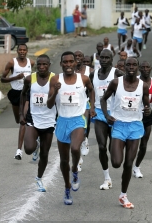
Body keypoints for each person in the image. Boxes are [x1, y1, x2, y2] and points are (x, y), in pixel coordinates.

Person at [101, 57, 151, 209]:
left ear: (138, 67)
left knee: (128, 163)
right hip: (119, 125)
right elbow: (103, 99)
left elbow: (147, 106)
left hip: (135, 126)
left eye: (134, 64)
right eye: (128, 64)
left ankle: (123, 195)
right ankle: (115, 148)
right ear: (124, 67)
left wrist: (147, 110)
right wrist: (106, 115)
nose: (131, 67)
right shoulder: (116, 83)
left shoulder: (143, 86)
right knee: (116, 163)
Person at [47, 51, 96, 205]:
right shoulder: (55, 79)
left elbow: (91, 90)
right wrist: (54, 91)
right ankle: (67, 186)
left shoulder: (84, 78)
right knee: (63, 160)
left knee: (75, 148)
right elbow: (49, 105)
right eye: (65, 62)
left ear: (75, 63)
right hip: (62, 120)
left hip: (78, 120)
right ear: (61, 64)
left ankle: (75, 170)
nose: (68, 65)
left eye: (71, 62)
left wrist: (92, 106)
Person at [19, 54, 56, 191]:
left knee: (44, 154)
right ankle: (36, 144)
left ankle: (39, 179)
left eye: (44, 64)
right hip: (33, 118)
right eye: (39, 64)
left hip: (49, 120)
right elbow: (23, 94)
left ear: (49, 65)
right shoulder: (30, 79)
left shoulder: (54, 78)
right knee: (28, 149)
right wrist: (21, 113)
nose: (41, 67)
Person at [90, 49, 124, 190]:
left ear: (111, 59)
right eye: (101, 57)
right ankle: (107, 178)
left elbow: (130, 86)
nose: (104, 60)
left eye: (106, 58)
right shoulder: (93, 74)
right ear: (98, 58)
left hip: (115, 114)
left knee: (112, 151)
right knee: (102, 146)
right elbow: (90, 91)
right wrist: (91, 106)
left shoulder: (117, 73)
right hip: (99, 113)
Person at [0, 44, 35, 160]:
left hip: (27, 93)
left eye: (24, 50)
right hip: (15, 93)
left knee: (23, 120)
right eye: (20, 50)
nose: (22, 51)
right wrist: (16, 77)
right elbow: (2, 79)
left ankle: (19, 151)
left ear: (27, 51)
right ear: (17, 51)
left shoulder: (32, 62)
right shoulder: (12, 63)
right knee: (18, 119)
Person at [133, 61, 152, 178]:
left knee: (143, 145)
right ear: (139, 69)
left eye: (147, 67)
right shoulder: (135, 80)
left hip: (147, 115)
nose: (145, 69)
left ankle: (137, 167)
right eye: (142, 67)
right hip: (133, 115)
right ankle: (128, 163)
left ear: (151, 68)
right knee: (132, 143)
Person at [74, 50, 94, 171]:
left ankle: (85, 140)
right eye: (75, 56)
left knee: (84, 126)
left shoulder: (90, 71)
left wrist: (93, 105)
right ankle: (78, 158)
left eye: (80, 56)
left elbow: (93, 88)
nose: (77, 58)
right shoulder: (69, 70)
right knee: (76, 130)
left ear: (83, 58)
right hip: (72, 104)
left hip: (85, 103)